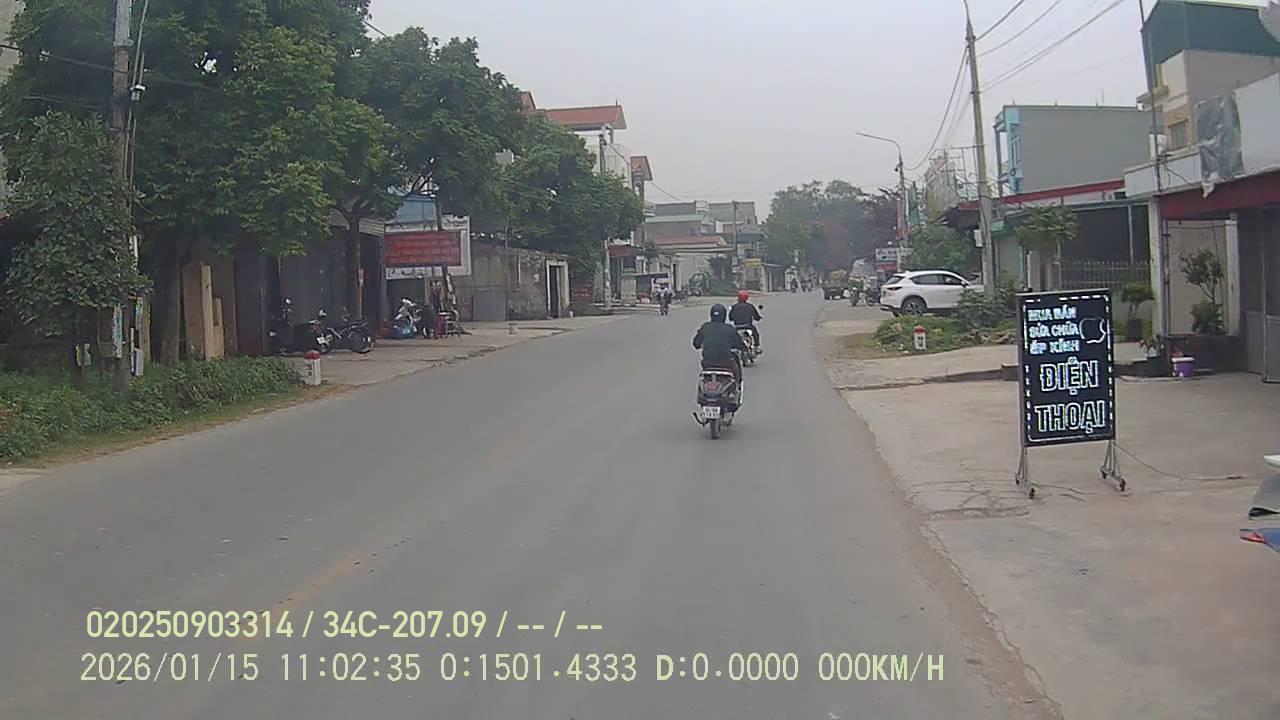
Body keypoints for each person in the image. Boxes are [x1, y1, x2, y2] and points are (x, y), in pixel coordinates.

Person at [693, 303, 747, 384]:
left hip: (707, 363)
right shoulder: (729, 328)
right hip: (725, 362)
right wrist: (743, 347)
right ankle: (738, 384)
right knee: (736, 367)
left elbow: (696, 344)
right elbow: (739, 343)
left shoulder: (705, 327)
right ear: (724, 315)